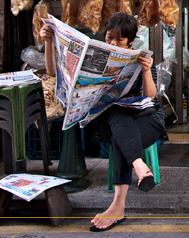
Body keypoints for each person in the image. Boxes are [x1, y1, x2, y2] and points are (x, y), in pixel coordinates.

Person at [41, 12, 165, 232]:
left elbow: (150, 97)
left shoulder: (140, 59)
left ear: (130, 41)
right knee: (115, 113)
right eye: (109, 37)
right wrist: (48, 42)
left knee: (122, 131)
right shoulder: (96, 54)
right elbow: (53, 73)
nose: (113, 43)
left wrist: (146, 71)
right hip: (108, 122)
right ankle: (138, 166)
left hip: (146, 122)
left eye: (120, 40)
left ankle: (118, 205)